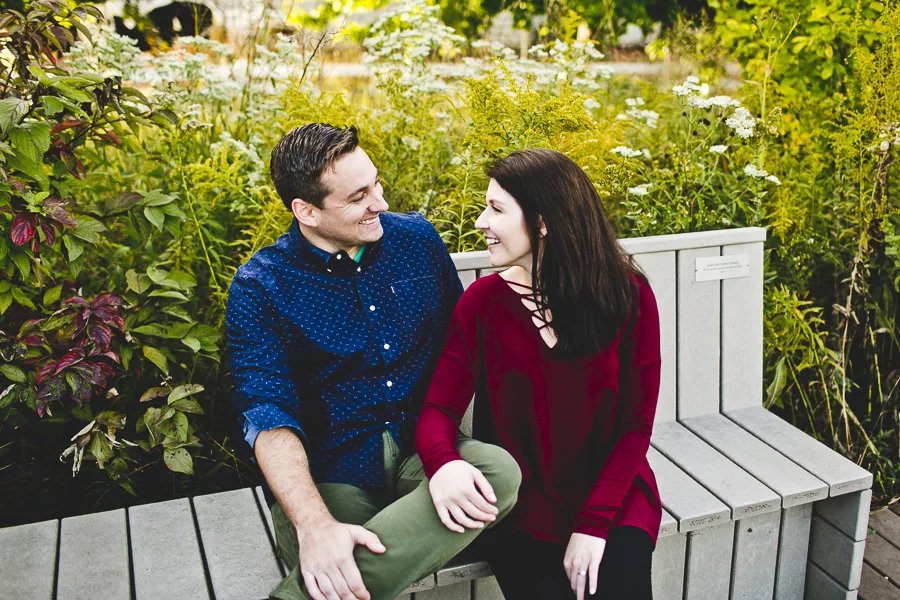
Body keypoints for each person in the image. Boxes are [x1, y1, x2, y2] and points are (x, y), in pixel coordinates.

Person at [225, 123, 521, 600]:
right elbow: (266, 412)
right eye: (359, 196)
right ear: (307, 210)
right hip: (333, 473)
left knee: (497, 474)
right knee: (333, 555)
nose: (380, 203)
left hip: (424, 452)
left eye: (376, 183)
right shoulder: (261, 287)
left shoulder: (417, 242)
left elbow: (468, 349)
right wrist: (316, 526)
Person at [416, 148, 662, 600]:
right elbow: (436, 409)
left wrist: (593, 525)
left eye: (495, 209)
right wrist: (443, 464)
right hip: (522, 511)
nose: (480, 222)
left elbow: (634, 426)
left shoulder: (629, 296)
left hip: (612, 495)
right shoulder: (482, 304)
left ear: (544, 221)